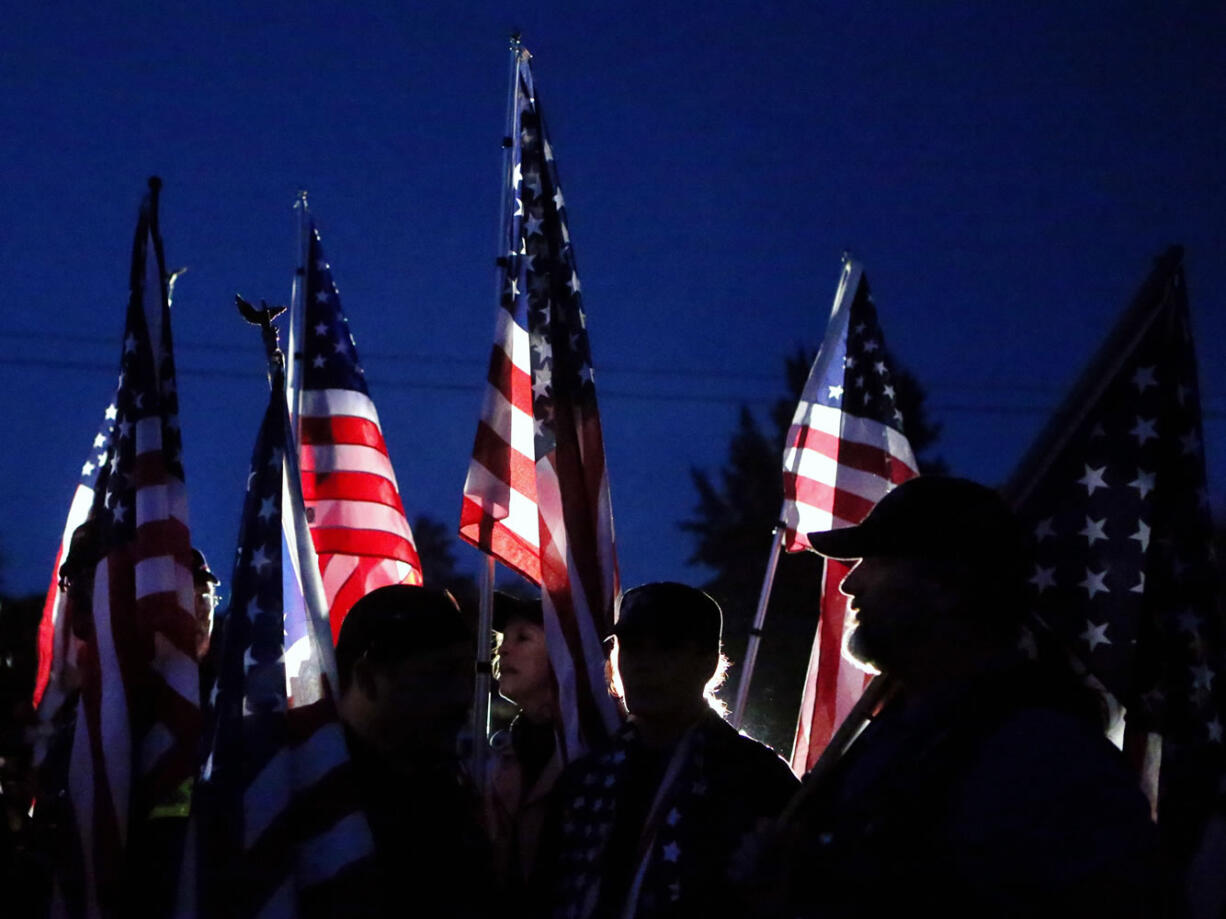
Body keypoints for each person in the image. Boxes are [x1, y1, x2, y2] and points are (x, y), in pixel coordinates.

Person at [766, 476, 1160, 917]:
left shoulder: (1043, 756)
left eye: (878, 559)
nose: (850, 585)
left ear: (945, 584)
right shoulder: (899, 734)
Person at [544, 581, 798, 919]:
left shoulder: (757, 779)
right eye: (631, 647)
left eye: (666, 648)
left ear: (707, 663)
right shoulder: (583, 779)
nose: (644, 665)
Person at [335, 584, 493, 918]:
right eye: (439, 675)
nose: (463, 697)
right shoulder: (315, 793)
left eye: (467, 675)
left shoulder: (447, 791)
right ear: (367, 677)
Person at [486, 591, 564, 915]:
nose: (503, 647)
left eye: (523, 638)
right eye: (505, 637)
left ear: (562, 652)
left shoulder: (596, 744)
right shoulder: (502, 753)